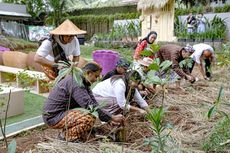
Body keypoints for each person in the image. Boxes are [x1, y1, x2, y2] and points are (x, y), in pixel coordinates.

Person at [42, 62, 125, 142]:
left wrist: (109, 119)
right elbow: (89, 106)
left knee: (91, 116)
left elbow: (93, 103)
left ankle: (78, 134)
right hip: (53, 117)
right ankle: (66, 136)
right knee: (88, 118)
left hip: (61, 113)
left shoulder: (83, 82)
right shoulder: (76, 83)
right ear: (89, 73)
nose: (96, 80)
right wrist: (112, 117)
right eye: (96, 76)